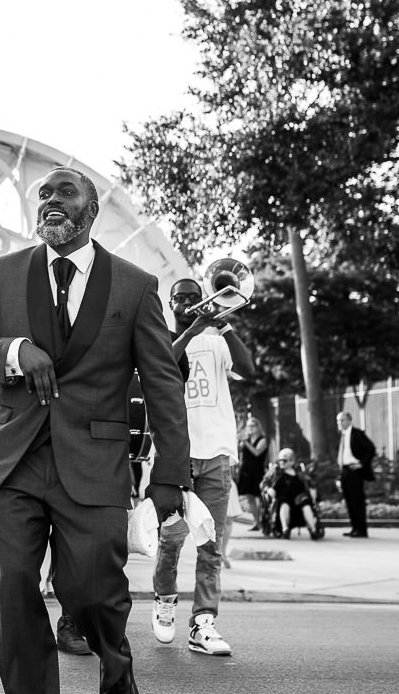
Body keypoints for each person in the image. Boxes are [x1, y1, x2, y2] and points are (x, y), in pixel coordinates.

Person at [0, 167, 189, 694]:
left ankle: (117, 676)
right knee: (11, 592)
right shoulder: (3, 272)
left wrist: (170, 472)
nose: (51, 200)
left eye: (65, 192)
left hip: (94, 463)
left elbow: (163, 384)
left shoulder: (135, 285)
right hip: (10, 461)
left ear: (91, 209)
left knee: (94, 594)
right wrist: (13, 351)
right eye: (44, 194)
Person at [151, 278, 255, 657]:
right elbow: (163, 366)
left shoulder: (217, 341)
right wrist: (194, 327)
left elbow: (248, 368)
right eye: (181, 298)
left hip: (217, 453)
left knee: (211, 546)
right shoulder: (158, 337)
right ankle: (165, 602)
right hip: (177, 453)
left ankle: (203, 623)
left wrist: (223, 325)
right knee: (172, 537)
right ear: (170, 303)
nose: (189, 304)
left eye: (195, 298)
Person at [262, 448, 321, 539]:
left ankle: (313, 530)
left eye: (284, 461)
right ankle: (285, 529)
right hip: (282, 500)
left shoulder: (300, 474)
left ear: (292, 461)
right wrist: (268, 489)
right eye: (280, 460)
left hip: (299, 499)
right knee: (284, 503)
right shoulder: (275, 473)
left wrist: (313, 495)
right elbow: (264, 483)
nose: (281, 463)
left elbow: (310, 484)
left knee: (306, 504)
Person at [336, 411, 378, 538]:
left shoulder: (357, 434)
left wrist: (361, 463)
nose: (339, 423)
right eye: (338, 421)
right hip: (345, 470)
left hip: (354, 470)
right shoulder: (342, 435)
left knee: (357, 501)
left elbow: (371, 449)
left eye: (342, 420)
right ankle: (354, 527)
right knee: (349, 501)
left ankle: (361, 529)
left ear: (349, 420)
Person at [236, 416, 269, 531]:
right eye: (248, 426)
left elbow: (256, 452)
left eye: (252, 426)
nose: (250, 428)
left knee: (259, 496)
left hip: (257, 470)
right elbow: (238, 451)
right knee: (249, 497)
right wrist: (239, 440)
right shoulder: (247, 440)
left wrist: (245, 442)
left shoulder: (262, 440)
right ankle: (256, 522)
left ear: (258, 427)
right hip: (246, 470)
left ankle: (264, 520)